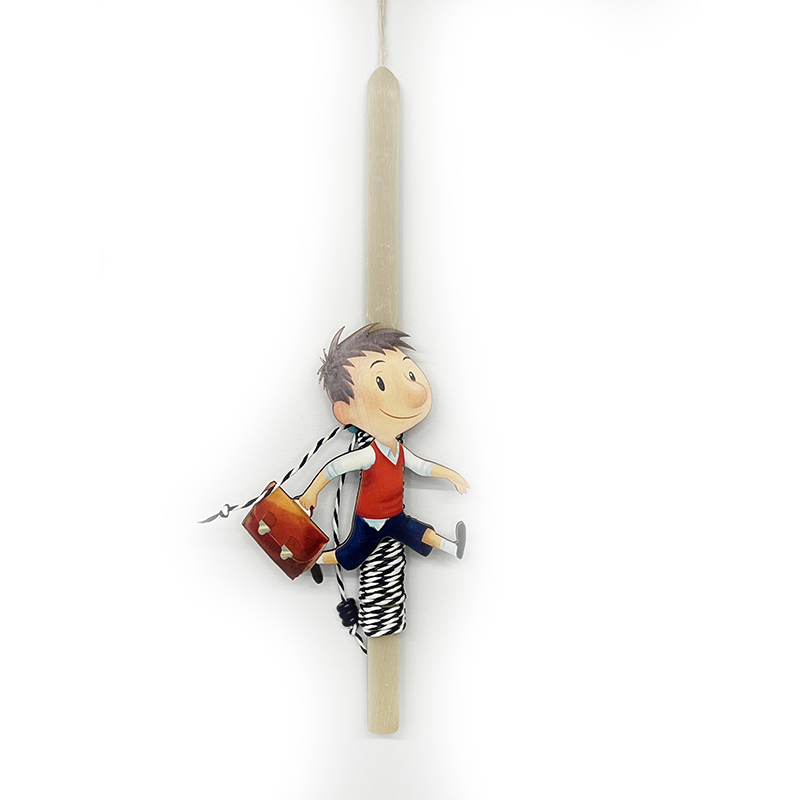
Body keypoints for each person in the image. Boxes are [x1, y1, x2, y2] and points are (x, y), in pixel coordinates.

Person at [297, 324, 468, 572]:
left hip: (395, 517)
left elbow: (422, 467)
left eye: (410, 375)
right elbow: (334, 468)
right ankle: (314, 562)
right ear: (345, 412)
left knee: (419, 533)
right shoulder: (370, 454)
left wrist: (452, 476)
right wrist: (311, 494)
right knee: (350, 555)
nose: (414, 391)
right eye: (381, 382)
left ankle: (454, 548)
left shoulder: (400, 451)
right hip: (370, 521)